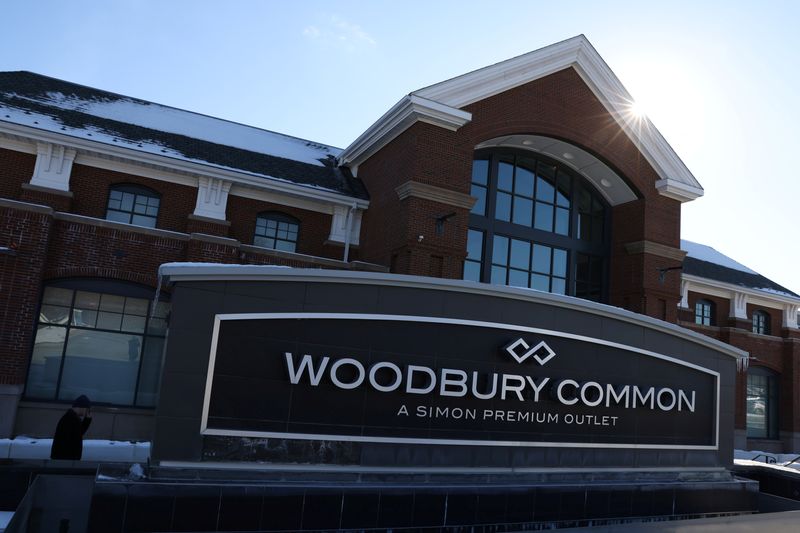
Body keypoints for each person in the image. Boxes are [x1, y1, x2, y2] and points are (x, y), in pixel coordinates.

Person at [50, 395, 92, 460]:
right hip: (65, 460)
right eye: (87, 409)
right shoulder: (71, 419)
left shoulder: (71, 417)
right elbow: (76, 436)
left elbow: (78, 434)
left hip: (64, 459)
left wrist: (87, 420)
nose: (87, 412)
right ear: (83, 407)